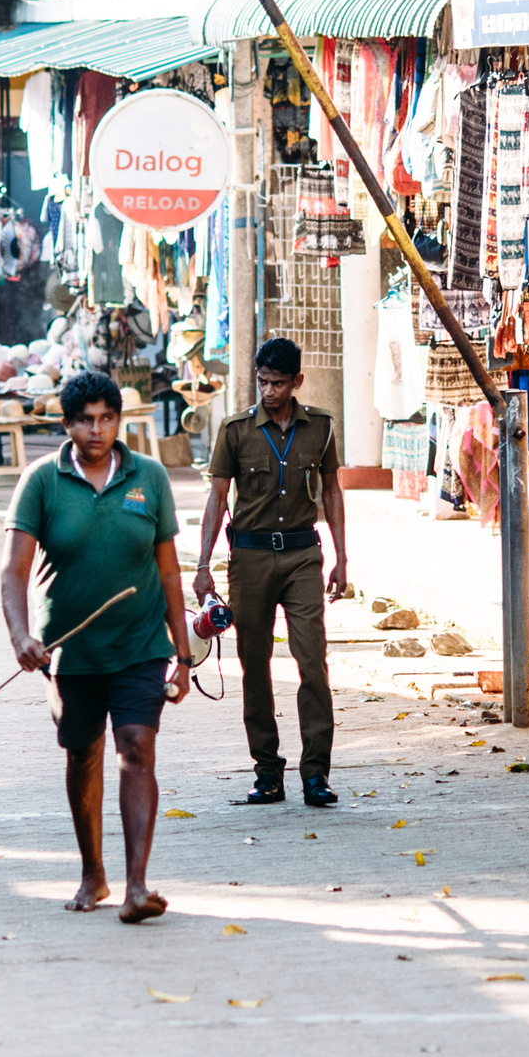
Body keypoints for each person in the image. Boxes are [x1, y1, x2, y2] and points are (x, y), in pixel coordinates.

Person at [2, 371, 194, 922]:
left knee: (136, 746)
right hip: (69, 652)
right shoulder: (42, 481)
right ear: (66, 424)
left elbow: (169, 572)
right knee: (83, 753)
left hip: (139, 643)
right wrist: (21, 636)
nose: (96, 429)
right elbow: (13, 570)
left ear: (119, 421)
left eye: (107, 418)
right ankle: (94, 873)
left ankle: (138, 885)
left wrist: (183, 656)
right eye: (85, 419)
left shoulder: (149, 478)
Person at [193, 337, 348, 808]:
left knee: (312, 665)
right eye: (262, 381)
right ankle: (267, 773)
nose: (269, 391)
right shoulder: (235, 430)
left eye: (278, 383)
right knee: (254, 669)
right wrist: (203, 566)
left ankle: (316, 774)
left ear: (297, 381)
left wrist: (343, 557)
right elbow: (218, 500)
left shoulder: (319, 428)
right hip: (251, 561)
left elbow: (333, 492)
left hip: (303, 555)